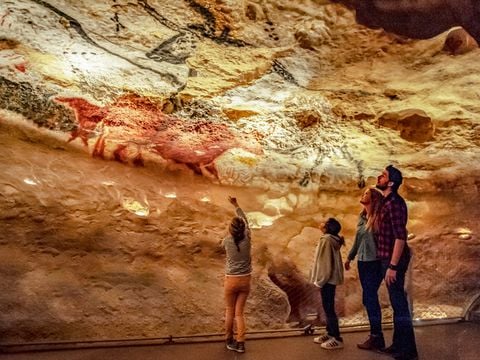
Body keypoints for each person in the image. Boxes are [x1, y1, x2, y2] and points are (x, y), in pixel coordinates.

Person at [376, 165, 418, 360]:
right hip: (387, 258)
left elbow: (400, 237)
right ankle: (398, 344)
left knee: (399, 304)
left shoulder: (395, 203)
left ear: (390, 182)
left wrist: (392, 266)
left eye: (383, 176)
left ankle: (408, 351)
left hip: (394, 260)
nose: (379, 177)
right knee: (396, 302)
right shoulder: (387, 202)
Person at [345, 187, 385, 351]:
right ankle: (376, 335)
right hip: (363, 261)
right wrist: (350, 257)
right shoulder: (362, 217)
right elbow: (358, 240)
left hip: (375, 262)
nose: (363, 194)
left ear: (374, 198)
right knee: (368, 298)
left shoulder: (379, 218)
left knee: (369, 298)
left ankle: (376, 336)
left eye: (367, 193)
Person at [310, 218, 345, 350]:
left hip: (327, 280)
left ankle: (337, 338)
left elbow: (325, 264)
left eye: (324, 221)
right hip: (330, 279)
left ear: (328, 227)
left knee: (329, 308)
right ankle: (330, 333)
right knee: (328, 307)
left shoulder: (326, 240)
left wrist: (320, 281)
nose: (321, 222)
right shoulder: (332, 240)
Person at [222, 196, 251, 353]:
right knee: (239, 314)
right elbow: (245, 221)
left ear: (231, 230)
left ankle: (228, 339)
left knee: (229, 310)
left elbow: (222, 243)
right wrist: (236, 205)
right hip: (245, 280)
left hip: (231, 280)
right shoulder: (248, 239)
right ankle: (241, 343)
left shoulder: (227, 241)